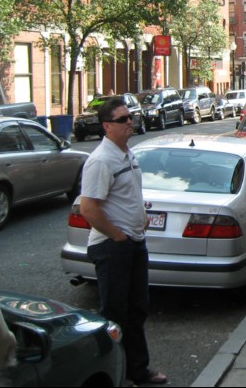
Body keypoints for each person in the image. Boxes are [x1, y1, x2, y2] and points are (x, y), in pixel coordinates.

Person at [80, 97, 167, 386]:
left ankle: (137, 371)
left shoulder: (127, 154)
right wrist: (117, 235)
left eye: (129, 117)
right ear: (106, 126)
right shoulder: (100, 160)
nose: (129, 121)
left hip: (134, 243)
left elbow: (126, 195)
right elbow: (89, 208)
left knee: (137, 309)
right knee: (114, 315)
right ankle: (111, 374)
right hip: (112, 247)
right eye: (122, 119)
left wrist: (139, 218)